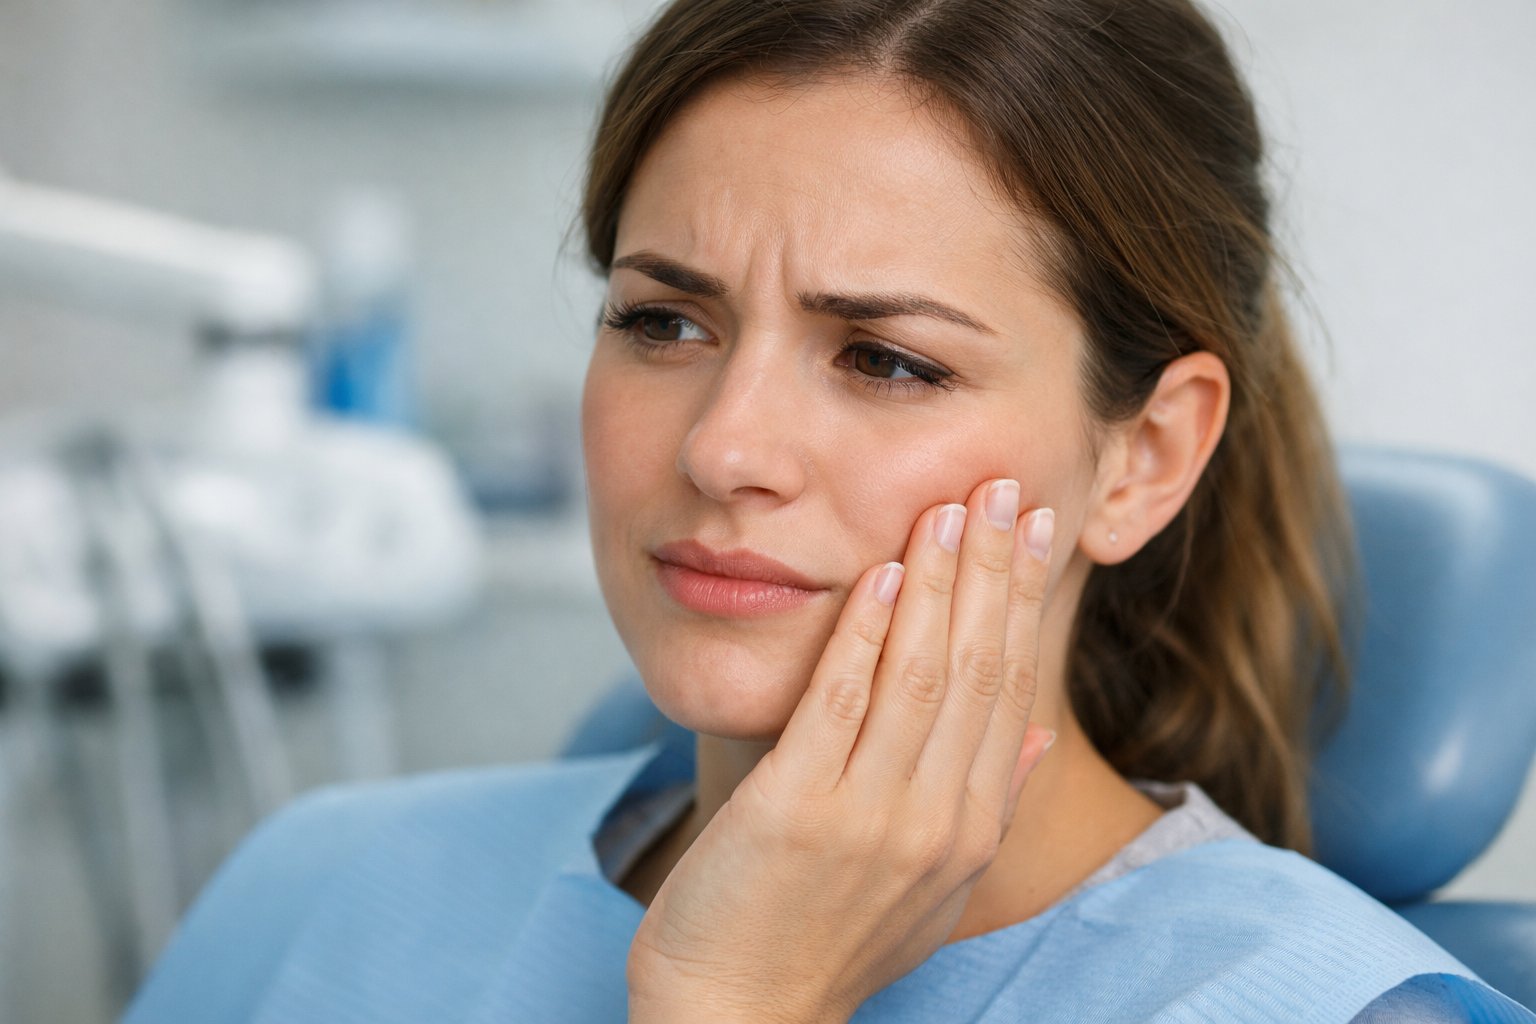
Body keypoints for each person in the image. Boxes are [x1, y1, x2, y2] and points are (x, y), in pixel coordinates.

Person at [125, 0, 1533, 1021]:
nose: (726, 446)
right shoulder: (330, 874)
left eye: (888, 360)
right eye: (666, 323)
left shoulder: (1318, 1012)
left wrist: (737, 1005)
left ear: (1145, 459)